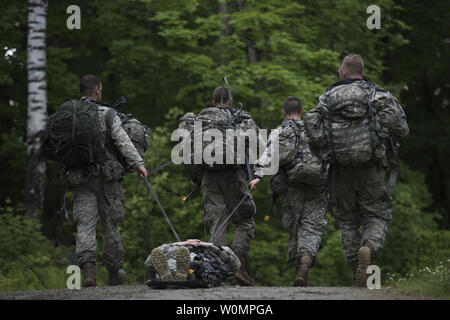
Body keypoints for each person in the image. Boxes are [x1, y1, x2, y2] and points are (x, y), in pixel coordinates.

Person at [304, 54, 409, 286]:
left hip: (340, 170)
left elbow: (312, 125)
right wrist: (378, 135)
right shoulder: (377, 94)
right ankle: (369, 248)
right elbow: (402, 128)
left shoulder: (327, 97)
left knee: (348, 221)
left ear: (342, 71)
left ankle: (357, 273)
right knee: (376, 215)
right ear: (361, 71)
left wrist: (324, 148)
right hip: (372, 167)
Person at [65, 75, 148, 287]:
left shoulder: (68, 114)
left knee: (85, 224)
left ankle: (89, 271)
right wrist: (138, 164)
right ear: (97, 91)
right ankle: (113, 272)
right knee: (110, 225)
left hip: (79, 177)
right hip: (107, 179)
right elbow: (123, 141)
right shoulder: (107, 114)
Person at [179, 86, 260, 286]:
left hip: (208, 175)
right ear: (229, 102)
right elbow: (256, 140)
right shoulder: (239, 117)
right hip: (234, 175)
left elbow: (183, 141)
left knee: (216, 223)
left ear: (213, 101)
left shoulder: (199, 118)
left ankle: (222, 271)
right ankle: (237, 265)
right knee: (244, 219)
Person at [249, 96, 328, 286]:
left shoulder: (279, 132)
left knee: (294, 226)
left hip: (292, 184)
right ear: (302, 111)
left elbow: (268, 154)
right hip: (318, 184)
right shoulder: (315, 130)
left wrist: (258, 175)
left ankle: (297, 264)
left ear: (283, 112)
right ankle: (305, 264)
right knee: (313, 225)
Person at [144, 239, 241, 288]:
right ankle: (170, 279)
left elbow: (235, 264)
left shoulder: (212, 256)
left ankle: (175, 279)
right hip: (176, 267)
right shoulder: (175, 251)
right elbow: (149, 263)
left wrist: (210, 245)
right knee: (165, 261)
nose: (194, 243)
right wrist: (178, 244)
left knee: (199, 269)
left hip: (201, 272)